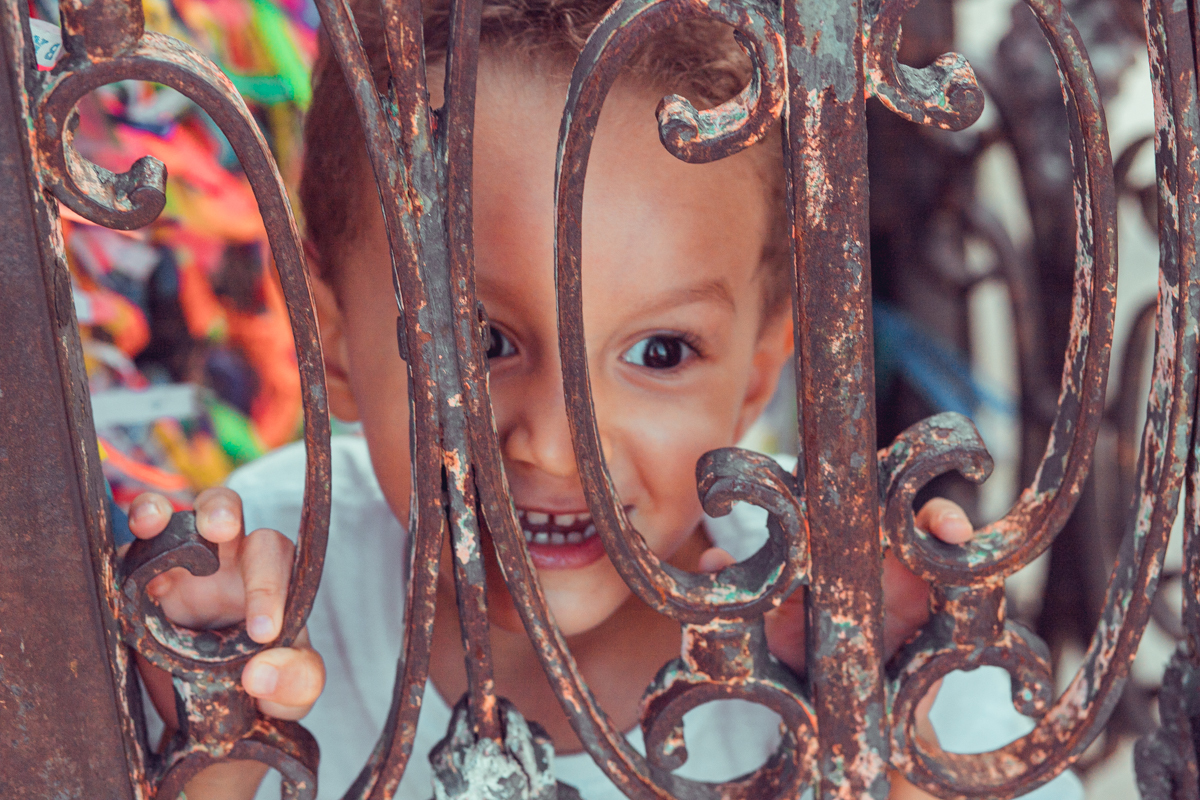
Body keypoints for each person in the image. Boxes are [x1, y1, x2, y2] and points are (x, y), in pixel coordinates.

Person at [124, 1, 1084, 798]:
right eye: (483, 341)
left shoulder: (866, 607)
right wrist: (206, 736)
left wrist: (889, 739)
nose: (554, 445)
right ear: (332, 344)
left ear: (759, 369)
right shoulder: (256, 606)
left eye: (662, 351)